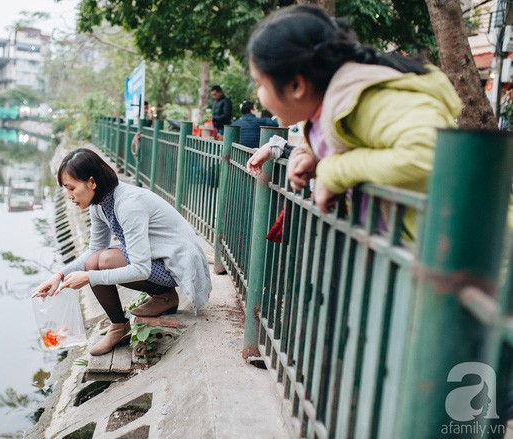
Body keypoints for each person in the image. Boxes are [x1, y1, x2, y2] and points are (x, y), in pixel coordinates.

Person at [245, 5, 461, 236]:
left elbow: (429, 155)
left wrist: (332, 171)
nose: (258, 94)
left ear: (297, 86)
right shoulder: (333, 107)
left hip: (461, 255)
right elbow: (357, 144)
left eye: (260, 84)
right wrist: (312, 156)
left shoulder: (370, 99)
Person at [32, 148, 212, 356]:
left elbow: (140, 269)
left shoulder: (128, 206)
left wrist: (90, 277)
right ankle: (119, 325)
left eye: (71, 188)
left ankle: (164, 296)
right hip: (156, 258)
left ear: (92, 182)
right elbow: (93, 250)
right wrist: (59, 275)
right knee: (95, 260)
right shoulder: (99, 204)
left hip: (177, 266)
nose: (69, 195)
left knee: (104, 261)